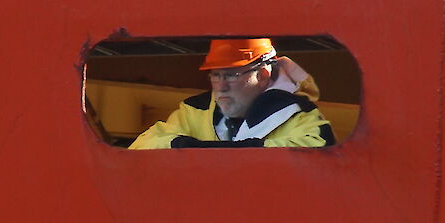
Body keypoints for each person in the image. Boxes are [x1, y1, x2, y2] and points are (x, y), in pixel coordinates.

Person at [127, 38, 337, 149]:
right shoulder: (194, 111)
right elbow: (144, 145)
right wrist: (183, 146)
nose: (221, 85)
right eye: (215, 75)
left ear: (263, 75)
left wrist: (222, 154)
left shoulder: (299, 114)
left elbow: (316, 152)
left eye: (232, 75)